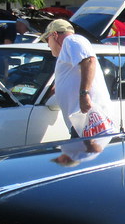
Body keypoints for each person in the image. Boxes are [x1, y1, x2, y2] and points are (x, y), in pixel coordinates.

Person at [40, 18, 117, 151]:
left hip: (89, 120)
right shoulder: (67, 49)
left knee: (80, 164)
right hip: (81, 122)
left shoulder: (72, 40)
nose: (48, 45)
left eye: (47, 40)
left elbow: (88, 61)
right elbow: (71, 78)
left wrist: (84, 94)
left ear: (54, 35)